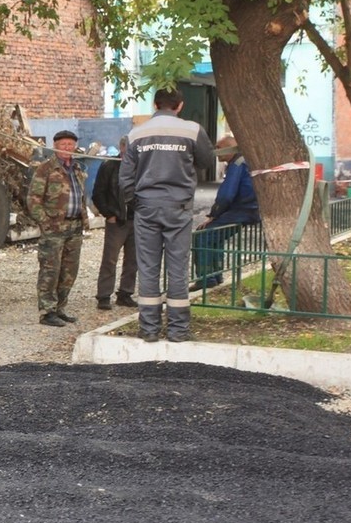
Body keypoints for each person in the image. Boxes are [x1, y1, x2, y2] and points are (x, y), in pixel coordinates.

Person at [119, 89, 214, 343]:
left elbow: (125, 176)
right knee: (178, 268)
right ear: (180, 106)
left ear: (155, 104)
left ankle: (149, 329)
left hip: (147, 207)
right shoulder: (192, 130)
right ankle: (178, 330)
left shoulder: (137, 133)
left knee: (148, 268)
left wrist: (135, 202)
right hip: (179, 207)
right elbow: (207, 161)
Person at [26, 130, 89, 327]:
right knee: (50, 270)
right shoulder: (45, 169)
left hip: (74, 227)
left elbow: (81, 196)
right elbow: (33, 199)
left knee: (69, 270)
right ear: (55, 146)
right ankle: (47, 311)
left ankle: (60, 308)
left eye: (70, 145)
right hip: (54, 228)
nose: (67, 148)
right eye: (63, 145)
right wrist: (45, 222)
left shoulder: (77, 169)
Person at [190, 136, 260, 290]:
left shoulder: (237, 164)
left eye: (218, 146)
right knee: (216, 235)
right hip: (250, 208)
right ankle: (216, 276)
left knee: (203, 235)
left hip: (243, 210)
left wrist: (213, 215)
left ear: (229, 148)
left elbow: (226, 195)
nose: (215, 150)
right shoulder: (242, 161)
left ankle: (206, 279)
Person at [91, 137, 138, 311]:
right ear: (122, 147)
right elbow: (98, 193)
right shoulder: (109, 165)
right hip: (116, 220)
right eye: (129, 147)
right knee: (110, 259)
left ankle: (125, 293)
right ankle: (104, 295)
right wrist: (108, 214)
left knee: (133, 260)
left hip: (137, 219)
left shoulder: (141, 167)